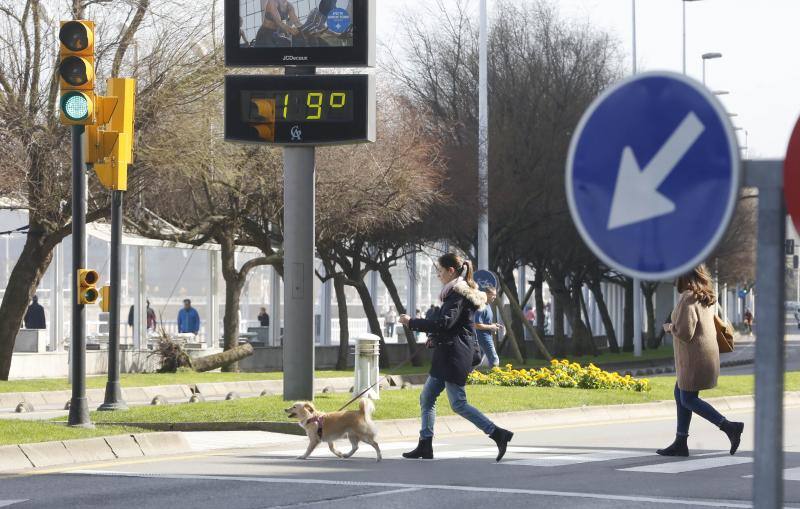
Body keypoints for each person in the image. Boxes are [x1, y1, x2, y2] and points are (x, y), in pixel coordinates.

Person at [398, 253, 514, 462]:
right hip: (448, 354)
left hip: (454, 357)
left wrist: (412, 322)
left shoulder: (458, 295)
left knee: (458, 403)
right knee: (427, 397)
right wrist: (434, 337)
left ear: (451, 271)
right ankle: (425, 445)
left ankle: (498, 434)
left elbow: (445, 323)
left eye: (440, 271)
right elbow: (452, 327)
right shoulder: (454, 293)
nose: (438, 275)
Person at [659, 265, 744, 457]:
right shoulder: (706, 296)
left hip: (692, 359)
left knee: (688, 399)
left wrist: (669, 327)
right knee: (680, 392)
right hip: (705, 356)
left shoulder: (688, 297)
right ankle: (680, 442)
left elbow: (685, 332)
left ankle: (729, 427)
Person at [473, 286, 502, 368]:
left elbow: (485, 322)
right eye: (493, 295)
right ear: (487, 294)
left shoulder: (488, 305)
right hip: (483, 338)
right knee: (494, 359)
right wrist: (491, 327)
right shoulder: (480, 307)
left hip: (485, 337)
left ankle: (468, 378)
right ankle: (496, 379)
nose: (495, 297)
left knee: (476, 362)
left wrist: (494, 325)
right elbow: (476, 325)